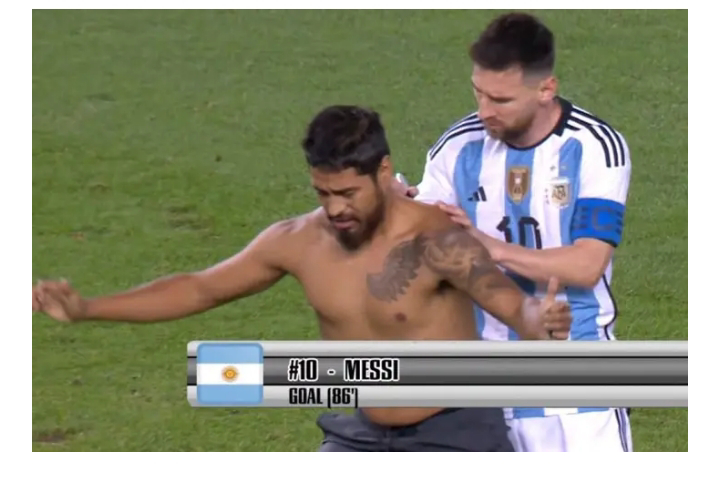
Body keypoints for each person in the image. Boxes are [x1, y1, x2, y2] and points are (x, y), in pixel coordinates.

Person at [33, 105, 573, 452]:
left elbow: (511, 307)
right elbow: (200, 287)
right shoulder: (297, 241)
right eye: (323, 193)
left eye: (348, 193)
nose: (335, 208)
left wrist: (541, 319)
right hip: (359, 434)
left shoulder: (436, 241)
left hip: (452, 437)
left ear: (384, 172)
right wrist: (89, 308)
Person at [397, 13, 634, 452]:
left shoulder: (593, 147)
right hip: (486, 386)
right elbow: (421, 235)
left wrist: (489, 248)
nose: (484, 110)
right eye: (478, 93)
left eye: (501, 100)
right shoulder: (458, 146)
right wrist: (396, 208)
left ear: (546, 89)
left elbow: (587, 264)